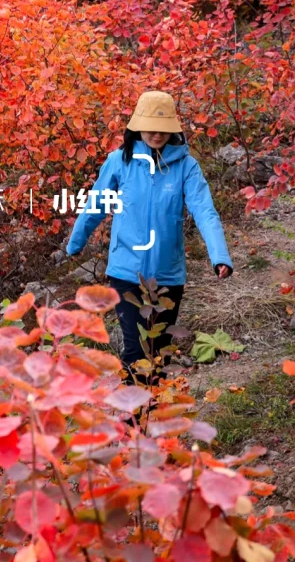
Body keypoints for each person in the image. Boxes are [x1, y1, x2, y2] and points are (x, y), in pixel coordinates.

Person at [66, 90, 232, 381]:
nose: (157, 134)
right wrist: (76, 243)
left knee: (159, 352)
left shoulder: (186, 167)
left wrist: (220, 256)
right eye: (151, 128)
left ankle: (155, 421)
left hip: (167, 275)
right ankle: (133, 423)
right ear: (136, 126)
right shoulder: (120, 162)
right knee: (134, 352)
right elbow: (97, 205)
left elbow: (204, 211)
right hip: (126, 273)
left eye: (164, 129)